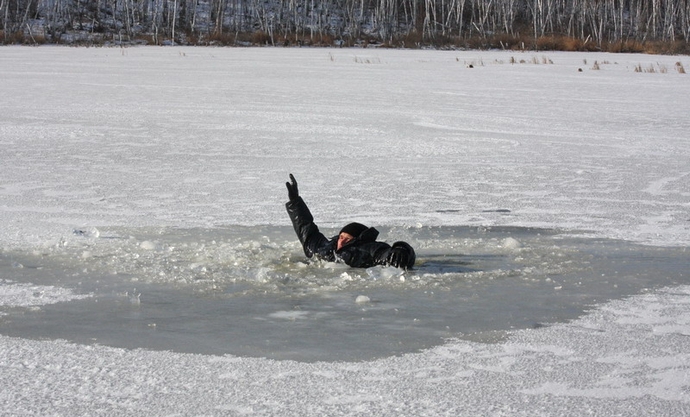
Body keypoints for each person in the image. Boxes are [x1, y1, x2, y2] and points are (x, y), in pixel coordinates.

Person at [285, 174, 415, 269]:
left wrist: (401, 249)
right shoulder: (325, 247)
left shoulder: (368, 248)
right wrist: (295, 202)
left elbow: (386, 253)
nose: (342, 241)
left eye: (348, 239)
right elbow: (306, 229)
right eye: (341, 237)